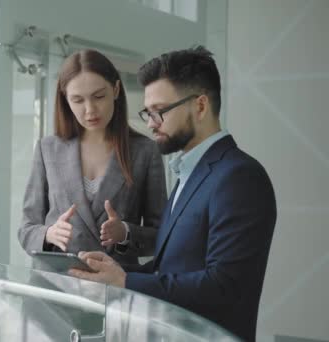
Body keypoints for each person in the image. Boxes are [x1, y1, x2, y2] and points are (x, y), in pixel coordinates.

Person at [69, 46, 277, 342]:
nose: (151, 122)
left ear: (200, 106)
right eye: (148, 112)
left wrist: (127, 281)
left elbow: (225, 286)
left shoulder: (239, 176)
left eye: (160, 112)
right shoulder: (188, 173)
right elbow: (172, 268)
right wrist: (111, 272)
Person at [18, 49, 167, 270]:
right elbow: (26, 229)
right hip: (56, 289)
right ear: (65, 100)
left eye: (99, 97)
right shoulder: (48, 149)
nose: (90, 110)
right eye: (77, 100)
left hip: (114, 290)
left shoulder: (145, 151)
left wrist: (125, 233)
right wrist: (49, 233)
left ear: (116, 90)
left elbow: (162, 236)